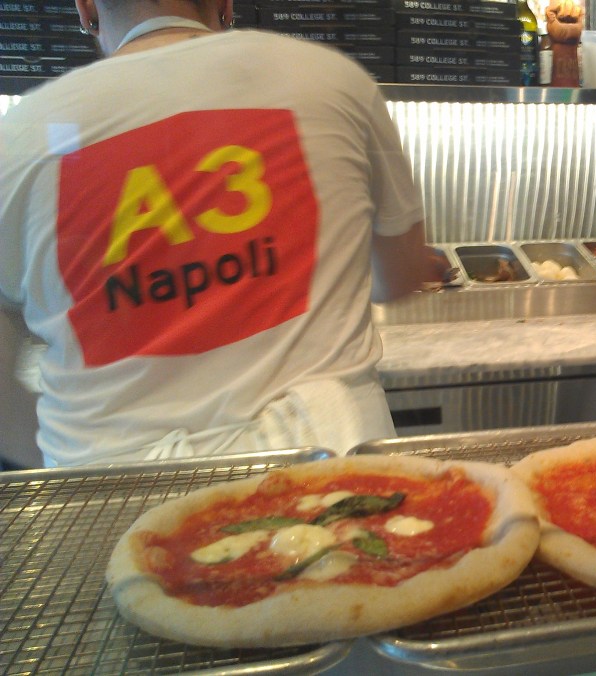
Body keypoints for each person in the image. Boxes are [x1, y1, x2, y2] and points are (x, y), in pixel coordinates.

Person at [0, 0, 447, 467]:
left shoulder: (18, 138)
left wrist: (65, 458)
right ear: (226, 5)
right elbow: (398, 277)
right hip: (329, 471)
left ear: (86, 9)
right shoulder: (329, 79)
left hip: (118, 492)